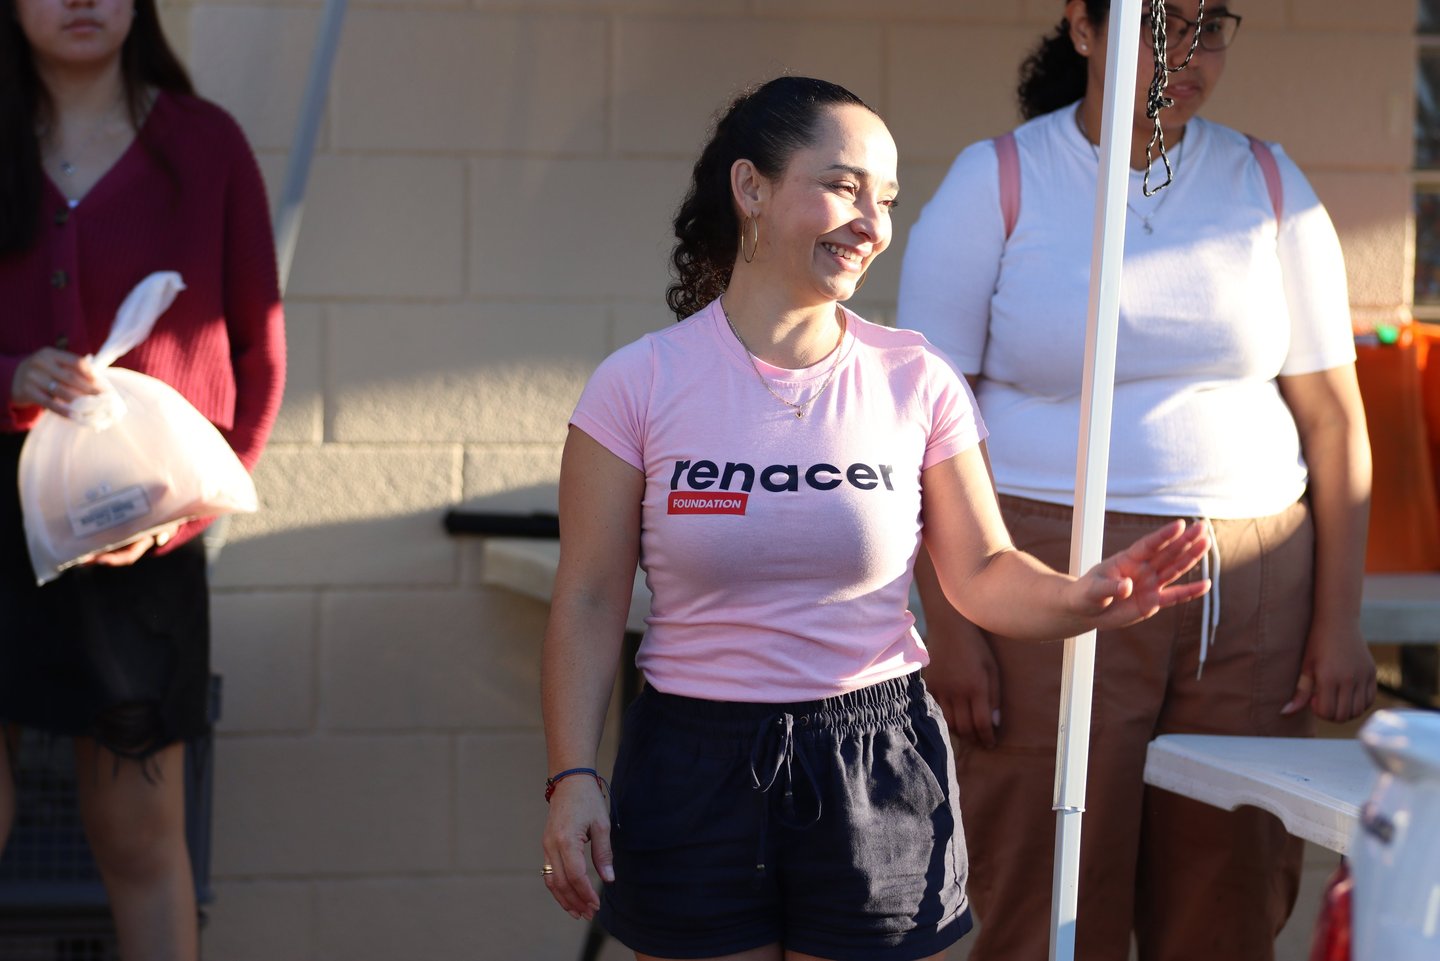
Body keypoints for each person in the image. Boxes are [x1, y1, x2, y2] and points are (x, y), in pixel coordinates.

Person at [540, 75, 1212, 961]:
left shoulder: (915, 377)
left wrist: (1081, 596)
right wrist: (572, 775)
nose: (872, 221)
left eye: (886, 199)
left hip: (876, 756)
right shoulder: (637, 382)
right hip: (691, 761)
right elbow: (588, 597)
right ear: (752, 188)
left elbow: (980, 571)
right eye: (845, 185)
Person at [895, 3, 1376, 960]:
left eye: (1211, 28)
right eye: (1157, 25)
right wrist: (949, 630)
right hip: (1047, 565)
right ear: (1084, 27)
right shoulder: (1000, 180)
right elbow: (918, 420)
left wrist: (1337, 621)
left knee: (1232, 884)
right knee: (1052, 875)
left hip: (1253, 577)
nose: (1185, 57)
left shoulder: (1270, 182)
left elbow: (1335, 420)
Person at [0, 0, 285, 957]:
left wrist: (176, 520)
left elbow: (257, 353)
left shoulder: (204, 147)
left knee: (138, 836)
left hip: (137, 531)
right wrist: (10, 376)